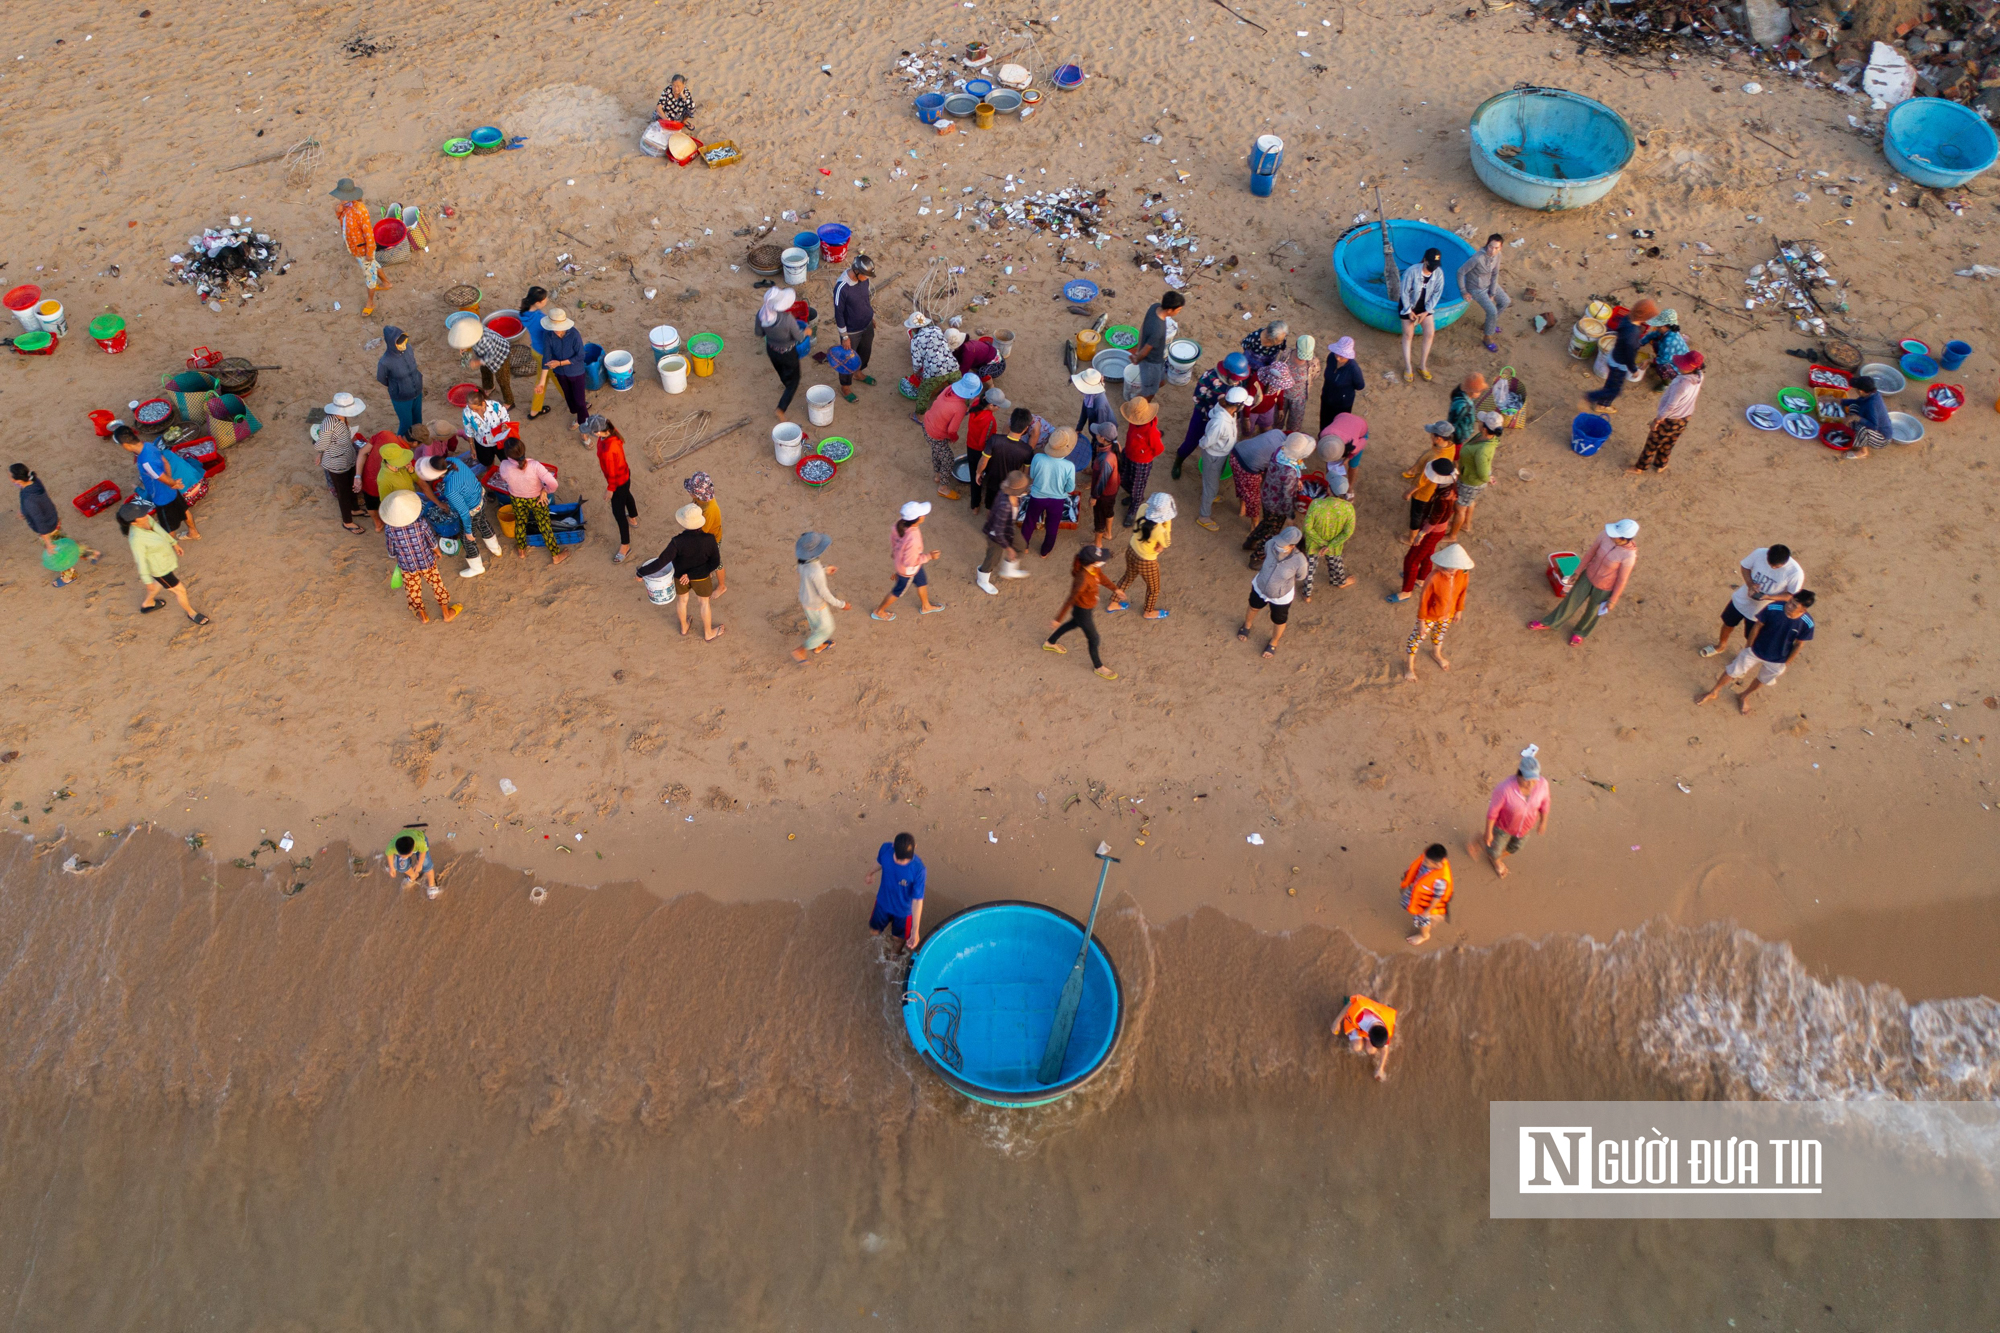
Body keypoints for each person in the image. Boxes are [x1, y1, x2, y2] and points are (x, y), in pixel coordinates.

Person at [1697, 591, 1816, 714]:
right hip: (1756, 649)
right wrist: (1749, 646)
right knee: (1732, 670)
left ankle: (1744, 695)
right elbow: (1758, 625)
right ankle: (1714, 691)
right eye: (1790, 601)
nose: (1789, 606)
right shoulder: (1773, 607)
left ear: (1803, 610)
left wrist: (1787, 662)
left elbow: (1799, 644)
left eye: (1794, 605)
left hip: (1778, 659)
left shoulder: (1807, 624)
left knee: (1763, 679)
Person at [1530, 519, 1638, 644]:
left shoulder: (1629, 556)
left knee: (1593, 612)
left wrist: (1612, 600)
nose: (1611, 535)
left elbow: (1622, 580)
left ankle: (1580, 632)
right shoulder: (1604, 535)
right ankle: (1550, 622)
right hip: (1588, 576)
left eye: (1615, 535)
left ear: (1624, 539)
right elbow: (1590, 553)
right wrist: (1578, 571)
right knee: (1571, 601)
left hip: (1605, 588)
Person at [1702, 544, 1805, 660]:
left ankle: (1745, 658)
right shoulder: (1759, 553)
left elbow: (1791, 596)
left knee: (1752, 637)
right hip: (1742, 600)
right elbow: (1745, 567)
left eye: (1776, 566)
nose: (1772, 567)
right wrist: (1750, 584)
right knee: (1728, 623)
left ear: (1785, 562)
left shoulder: (1795, 573)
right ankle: (1721, 645)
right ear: (1767, 554)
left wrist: (1769, 597)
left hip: (1763, 611)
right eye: (1769, 563)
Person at [637, 504, 724, 640]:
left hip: (679, 576)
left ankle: (684, 627)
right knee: (704, 603)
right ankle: (708, 633)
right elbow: (714, 563)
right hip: (701, 577)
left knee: (682, 601)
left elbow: (661, 562)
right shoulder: (709, 540)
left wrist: (641, 572)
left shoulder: (677, 542)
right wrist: (691, 575)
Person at [117, 500, 208, 625]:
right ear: (133, 522)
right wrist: (147, 581)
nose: (146, 514)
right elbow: (140, 561)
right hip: (160, 570)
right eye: (141, 515)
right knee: (180, 591)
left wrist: (174, 543)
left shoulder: (146, 519)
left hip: (165, 560)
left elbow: (159, 529)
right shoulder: (136, 539)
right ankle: (192, 613)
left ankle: (148, 603)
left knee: (159, 584)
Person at [381, 489, 462, 625]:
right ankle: (446, 613)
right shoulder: (420, 523)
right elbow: (431, 541)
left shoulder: (389, 528)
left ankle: (422, 615)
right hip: (427, 561)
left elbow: (391, 550)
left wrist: (397, 558)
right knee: (437, 584)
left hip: (407, 565)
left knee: (412, 589)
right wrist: (437, 552)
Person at [415, 454, 501, 578]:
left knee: (467, 540)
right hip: (480, 498)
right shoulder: (453, 461)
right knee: (483, 522)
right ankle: (496, 549)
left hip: (471, 510)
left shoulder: (451, 490)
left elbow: (464, 512)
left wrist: (468, 531)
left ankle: (477, 567)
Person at [14, 464, 98, 586]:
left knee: (59, 553)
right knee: (64, 542)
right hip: (53, 521)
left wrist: (48, 543)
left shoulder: (28, 500)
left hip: (48, 530)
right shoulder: (34, 482)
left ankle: (69, 575)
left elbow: (40, 524)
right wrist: (25, 511)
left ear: (18, 480)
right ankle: (92, 554)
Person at [1473, 748, 1550, 879]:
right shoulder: (1504, 789)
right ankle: (1494, 858)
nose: (1531, 784)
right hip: (1503, 827)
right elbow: (1493, 812)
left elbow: (1545, 802)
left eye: (1534, 780)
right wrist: (1488, 832)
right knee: (1495, 850)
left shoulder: (1543, 785)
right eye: (1527, 779)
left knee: (1515, 847)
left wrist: (1543, 821)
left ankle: (1494, 855)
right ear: (1518, 775)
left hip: (1525, 828)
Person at [1044, 544, 1117, 680]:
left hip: (1085, 607)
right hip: (1083, 610)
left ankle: (1050, 642)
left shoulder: (1093, 569)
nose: (1103, 561)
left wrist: (1115, 589)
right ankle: (1099, 667)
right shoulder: (1083, 579)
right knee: (1094, 638)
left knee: (1073, 624)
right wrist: (1058, 619)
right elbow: (1070, 599)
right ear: (1092, 562)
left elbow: (1101, 577)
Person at [119, 424, 203, 542]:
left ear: (126, 445)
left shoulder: (145, 461)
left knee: (168, 527)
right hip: (173, 491)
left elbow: (160, 477)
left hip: (162, 498)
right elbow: (165, 462)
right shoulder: (149, 446)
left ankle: (170, 546)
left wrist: (171, 483)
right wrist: (172, 483)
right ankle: (193, 532)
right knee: (184, 511)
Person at [1391, 459, 1458, 603]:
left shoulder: (1442, 499)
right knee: (1427, 553)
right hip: (1439, 530)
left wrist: (1421, 534)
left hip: (1432, 530)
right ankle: (1421, 578)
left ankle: (1406, 592)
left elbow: (1434, 519)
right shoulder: (1450, 486)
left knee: (1411, 560)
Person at [1174, 352, 1249, 477]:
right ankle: (1179, 460)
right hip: (1203, 415)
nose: (1239, 381)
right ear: (1228, 373)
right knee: (1192, 441)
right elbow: (1197, 399)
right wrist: (1209, 415)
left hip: (1225, 418)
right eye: (1237, 378)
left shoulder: (1237, 382)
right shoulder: (1209, 377)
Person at [1405, 543, 1472, 681]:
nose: (1453, 569)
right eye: (1450, 566)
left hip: (1448, 614)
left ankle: (1436, 654)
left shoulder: (1464, 573)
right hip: (1430, 615)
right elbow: (1424, 600)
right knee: (1416, 639)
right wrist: (1421, 621)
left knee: (1440, 634)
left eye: (1456, 566)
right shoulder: (1433, 577)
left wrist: (1459, 610)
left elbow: (1463, 591)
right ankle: (1409, 667)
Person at [495, 440, 569, 566]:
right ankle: (556, 556)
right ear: (523, 450)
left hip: (517, 499)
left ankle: (521, 551)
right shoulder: (535, 466)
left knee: (520, 522)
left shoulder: (504, 465)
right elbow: (553, 484)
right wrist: (545, 490)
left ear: (507, 454)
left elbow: (504, 478)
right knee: (544, 525)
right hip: (537, 499)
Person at [1244, 432, 1313, 561]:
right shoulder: (1289, 472)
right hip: (1277, 506)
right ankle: (1257, 558)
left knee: (1266, 523)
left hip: (1267, 494)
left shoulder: (1278, 452)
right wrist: (1290, 516)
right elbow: (1287, 497)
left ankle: (1250, 542)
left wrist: (1296, 480)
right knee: (1272, 532)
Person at [1582, 298, 1659, 413]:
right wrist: (1634, 370)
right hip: (1620, 364)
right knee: (1614, 390)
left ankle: (1603, 405)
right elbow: (1629, 356)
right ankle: (1590, 397)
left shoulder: (1627, 318)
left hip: (1614, 355)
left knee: (1610, 384)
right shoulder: (1633, 334)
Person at [872, 501, 946, 620]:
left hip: (906, 563)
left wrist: (895, 552)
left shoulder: (900, 523)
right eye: (922, 514)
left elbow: (894, 539)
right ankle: (879, 611)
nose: (924, 516)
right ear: (917, 519)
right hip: (908, 570)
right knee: (898, 591)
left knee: (921, 581)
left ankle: (926, 606)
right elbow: (910, 562)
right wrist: (929, 556)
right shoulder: (913, 539)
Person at [1633, 351, 1705, 473]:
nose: (1679, 366)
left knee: (1652, 443)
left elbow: (1670, 406)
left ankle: (1640, 467)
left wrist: (1657, 420)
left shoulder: (1681, 384)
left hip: (1670, 419)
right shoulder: (1699, 375)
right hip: (1685, 417)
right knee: (1669, 441)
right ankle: (1661, 464)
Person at [577, 415, 636, 562]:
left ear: (598, 433)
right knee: (627, 494)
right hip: (625, 474)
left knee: (618, 513)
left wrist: (610, 489)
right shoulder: (611, 431)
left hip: (618, 481)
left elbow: (612, 472)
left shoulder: (608, 449)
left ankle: (625, 545)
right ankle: (633, 518)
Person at [1241, 524, 1305, 658]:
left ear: (1292, 546)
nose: (1278, 545)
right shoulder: (1270, 544)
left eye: (1283, 544)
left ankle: (1274, 641)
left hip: (1281, 596)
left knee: (1278, 620)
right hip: (1260, 586)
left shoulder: (1300, 561)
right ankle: (1246, 625)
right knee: (1253, 607)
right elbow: (1266, 553)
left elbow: (1301, 576)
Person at [1110, 491, 1174, 619]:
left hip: (1132, 550)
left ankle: (1113, 603)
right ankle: (1149, 612)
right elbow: (1167, 542)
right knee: (1154, 589)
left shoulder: (1143, 508)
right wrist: (1167, 522)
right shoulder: (1160, 530)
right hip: (1147, 560)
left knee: (1128, 577)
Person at [1195, 385, 1250, 531]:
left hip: (1222, 453)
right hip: (1214, 456)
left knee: (1214, 479)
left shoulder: (1230, 412)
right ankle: (1204, 516)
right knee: (1210, 486)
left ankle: (1211, 496)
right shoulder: (1220, 423)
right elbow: (1206, 442)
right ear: (1238, 405)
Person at [920, 372, 982, 501]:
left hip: (927, 424)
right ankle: (943, 487)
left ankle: (938, 474)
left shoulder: (949, 389)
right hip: (936, 434)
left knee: (936, 451)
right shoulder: (960, 408)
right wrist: (953, 438)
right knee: (948, 459)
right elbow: (952, 429)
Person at [329, 177, 385, 316]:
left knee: (370, 278)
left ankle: (370, 303)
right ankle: (386, 282)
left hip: (363, 250)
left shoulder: (360, 210)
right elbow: (343, 222)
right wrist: (338, 211)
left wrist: (369, 252)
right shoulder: (346, 207)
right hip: (354, 247)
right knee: (373, 266)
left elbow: (368, 233)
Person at [751, 285, 805, 425]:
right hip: (788, 353)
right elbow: (798, 337)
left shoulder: (761, 314)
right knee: (794, 381)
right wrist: (807, 332)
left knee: (781, 371)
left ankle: (786, 383)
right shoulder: (787, 319)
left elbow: (759, 333)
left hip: (772, 350)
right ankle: (781, 409)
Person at [792, 530, 848, 662]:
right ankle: (801, 649)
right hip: (816, 604)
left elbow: (809, 573)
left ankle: (819, 645)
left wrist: (825, 569)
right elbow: (824, 594)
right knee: (827, 628)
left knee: (816, 626)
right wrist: (842, 604)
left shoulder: (802, 562)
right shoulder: (816, 572)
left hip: (805, 599)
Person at [1023, 430, 1080, 559]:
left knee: (1029, 521)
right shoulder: (1069, 466)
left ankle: (1024, 546)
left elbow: (1032, 475)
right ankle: (1045, 551)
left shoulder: (1038, 457)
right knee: (1052, 526)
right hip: (1057, 501)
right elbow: (1070, 488)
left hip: (1037, 497)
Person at [316, 392, 368, 532]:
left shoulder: (342, 418)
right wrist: (320, 452)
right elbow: (322, 443)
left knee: (351, 484)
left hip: (347, 457)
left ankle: (355, 509)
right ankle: (347, 521)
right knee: (343, 492)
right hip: (336, 462)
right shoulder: (328, 424)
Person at [978, 406, 1045, 512]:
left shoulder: (994, 439)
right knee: (1005, 505)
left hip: (992, 480)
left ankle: (990, 512)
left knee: (990, 503)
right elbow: (1025, 473)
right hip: (1010, 484)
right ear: (1026, 429)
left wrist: (978, 473)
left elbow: (983, 461)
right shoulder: (1027, 450)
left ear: (1010, 424)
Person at [1300, 474, 1355, 601]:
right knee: (1336, 563)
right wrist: (1329, 545)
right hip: (1334, 545)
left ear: (1329, 489)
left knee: (1310, 567)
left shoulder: (1316, 504)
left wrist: (1321, 542)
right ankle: (1339, 582)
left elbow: (1307, 527)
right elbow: (1347, 532)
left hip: (1313, 543)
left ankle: (1307, 594)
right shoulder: (1348, 508)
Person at [976, 469, 1032, 593]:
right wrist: (1009, 549)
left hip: (1008, 527)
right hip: (995, 534)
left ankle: (1008, 571)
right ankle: (982, 580)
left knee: (1021, 546)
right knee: (993, 558)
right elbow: (998, 531)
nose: (1026, 491)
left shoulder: (1014, 496)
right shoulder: (1004, 506)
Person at [867, 832, 925, 949]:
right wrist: (870, 873)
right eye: (898, 859)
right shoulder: (885, 850)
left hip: (904, 913)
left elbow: (917, 901)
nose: (901, 863)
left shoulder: (919, 869)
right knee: (874, 930)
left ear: (915, 848)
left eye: (904, 861)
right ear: (893, 846)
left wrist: (915, 930)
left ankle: (894, 955)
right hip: (883, 904)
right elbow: (879, 862)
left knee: (898, 939)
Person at [1450, 412, 1504, 538]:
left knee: (1460, 508)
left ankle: (1452, 535)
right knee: (1470, 500)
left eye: (1481, 422)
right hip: (1470, 477)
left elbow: (1482, 473)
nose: (1478, 422)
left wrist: (1488, 478)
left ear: (1484, 428)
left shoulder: (1482, 450)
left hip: (1470, 482)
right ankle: (1466, 525)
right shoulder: (1486, 437)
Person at [1402, 422, 1458, 537]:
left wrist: (1409, 492)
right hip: (1435, 489)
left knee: (1416, 514)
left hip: (1424, 492)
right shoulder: (1450, 447)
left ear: (1438, 438)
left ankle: (1411, 538)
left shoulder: (1434, 457)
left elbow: (1423, 480)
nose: (1430, 436)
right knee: (1425, 510)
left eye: (1432, 434)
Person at [832, 255, 877, 398]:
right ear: (856, 271)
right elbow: (838, 314)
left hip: (866, 324)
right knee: (847, 359)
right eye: (865, 275)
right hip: (851, 331)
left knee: (865, 351)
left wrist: (870, 317)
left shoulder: (864, 280)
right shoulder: (842, 288)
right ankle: (845, 387)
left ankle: (858, 373)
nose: (867, 278)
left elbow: (865, 299)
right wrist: (844, 336)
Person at [1399, 247, 1446, 382]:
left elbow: (1437, 294)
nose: (1433, 268)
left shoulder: (1439, 273)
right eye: (1431, 264)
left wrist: (1426, 312)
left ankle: (1422, 365)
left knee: (1430, 333)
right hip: (1409, 305)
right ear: (1425, 260)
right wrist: (1409, 311)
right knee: (1408, 334)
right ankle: (1408, 367)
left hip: (1425, 306)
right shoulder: (1412, 271)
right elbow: (1404, 293)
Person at [1458, 233, 1511, 353]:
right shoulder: (1477, 258)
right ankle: (1487, 337)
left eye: (1496, 248)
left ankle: (1488, 325)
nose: (1493, 250)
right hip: (1476, 288)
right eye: (1491, 247)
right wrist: (1463, 291)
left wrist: (1492, 292)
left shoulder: (1498, 255)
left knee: (1505, 301)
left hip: (1489, 283)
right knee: (1492, 311)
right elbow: (1460, 272)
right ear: (1487, 245)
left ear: (1500, 248)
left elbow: (1495, 273)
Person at [539, 307, 591, 427]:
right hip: (561, 373)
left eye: (559, 328)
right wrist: (541, 382)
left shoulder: (574, 334)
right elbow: (546, 358)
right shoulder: (547, 335)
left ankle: (583, 425)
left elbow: (580, 356)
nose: (556, 331)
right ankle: (579, 411)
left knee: (580, 402)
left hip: (576, 372)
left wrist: (560, 363)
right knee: (569, 398)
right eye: (554, 328)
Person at [1117, 396, 1164, 528]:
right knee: (1123, 478)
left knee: (1137, 488)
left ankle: (1133, 510)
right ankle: (1133, 497)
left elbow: (1159, 449)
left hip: (1141, 462)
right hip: (1128, 454)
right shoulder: (1134, 422)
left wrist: (1145, 455)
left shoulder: (1151, 431)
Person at [451, 316, 515, 411]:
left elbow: (491, 356)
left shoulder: (485, 340)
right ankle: (489, 387)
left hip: (500, 355)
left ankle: (509, 402)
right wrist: (466, 347)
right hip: (485, 354)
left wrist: (477, 362)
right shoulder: (473, 333)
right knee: (485, 371)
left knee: (503, 380)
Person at [1127, 290, 1183, 399]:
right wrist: (1137, 358)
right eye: (1178, 310)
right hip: (1151, 363)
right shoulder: (1158, 329)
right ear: (1170, 310)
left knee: (1160, 382)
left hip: (1158, 359)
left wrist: (1138, 349)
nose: (1179, 312)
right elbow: (1146, 351)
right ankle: (1138, 405)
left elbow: (1143, 327)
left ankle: (1152, 387)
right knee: (1149, 393)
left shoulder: (1154, 307)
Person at [1397, 843, 1454, 946]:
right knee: (1407, 903)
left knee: (1422, 920)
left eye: (1427, 862)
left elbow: (1437, 897)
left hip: (1426, 904)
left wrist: (1427, 911)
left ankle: (1424, 935)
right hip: (1418, 892)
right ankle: (1435, 916)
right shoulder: (1428, 861)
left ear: (1437, 865)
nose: (1423, 862)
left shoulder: (1440, 881)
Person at [374, 326, 424, 437]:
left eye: (404, 340)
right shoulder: (385, 361)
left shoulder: (408, 348)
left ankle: (417, 442)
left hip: (417, 391)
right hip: (401, 398)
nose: (403, 344)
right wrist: (397, 386)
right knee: (406, 424)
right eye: (399, 342)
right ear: (392, 343)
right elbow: (381, 378)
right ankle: (400, 444)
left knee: (418, 420)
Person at [1231, 427, 1286, 527]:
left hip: (1236, 453)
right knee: (1253, 498)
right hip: (1249, 466)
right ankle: (1254, 524)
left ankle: (1242, 509)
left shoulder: (1277, 433)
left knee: (1240, 484)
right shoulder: (1283, 453)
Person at [1334, 993, 1397, 1081]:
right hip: (1360, 1020)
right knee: (1356, 1047)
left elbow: (1385, 1050)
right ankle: (1357, 1037)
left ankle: (1363, 1039)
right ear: (1369, 1035)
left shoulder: (1385, 1032)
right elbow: (1352, 1003)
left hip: (1375, 1017)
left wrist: (1380, 1068)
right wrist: (1337, 1021)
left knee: (1371, 1050)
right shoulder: (1360, 1018)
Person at [905, 312, 959, 410]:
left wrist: (916, 372)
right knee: (958, 388)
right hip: (953, 366)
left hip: (934, 371)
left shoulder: (915, 340)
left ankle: (918, 415)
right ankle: (962, 407)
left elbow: (917, 363)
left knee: (923, 393)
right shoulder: (936, 329)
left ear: (914, 328)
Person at [682, 471, 724, 594]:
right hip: (704, 534)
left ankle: (722, 586)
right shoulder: (702, 498)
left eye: (690, 491)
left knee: (717, 564)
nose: (688, 492)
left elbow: (701, 533)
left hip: (711, 539)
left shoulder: (709, 510)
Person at [1836, 374, 1895, 461]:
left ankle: (1863, 452)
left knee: (1862, 429)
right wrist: (1838, 400)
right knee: (1853, 406)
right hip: (1873, 426)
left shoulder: (1872, 404)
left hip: (1882, 438)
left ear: (1860, 391)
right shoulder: (1871, 394)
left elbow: (1874, 426)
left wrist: (1856, 418)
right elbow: (1856, 402)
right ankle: (1857, 435)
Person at [518, 285, 553, 420]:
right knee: (561, 380)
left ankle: (535, 410)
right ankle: (577, 403)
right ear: (538, 303)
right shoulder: (541, 319)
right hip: (546, 353)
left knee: (541, 380)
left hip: (535, 350)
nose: (546, 300)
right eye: (544, 299)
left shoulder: (523, 313)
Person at [1318, 335, 1366, 433]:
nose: (1338, 358)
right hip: (1327, 397)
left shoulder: (1353, 369)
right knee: (1324, 422)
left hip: (1342, 404)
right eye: (1337, 354)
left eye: (1342, 356)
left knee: (1339, 427)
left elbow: (1360, 385)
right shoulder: (1331, 357)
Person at [1317, 411, 1369, 497]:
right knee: (1330, 460)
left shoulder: (1354, 445)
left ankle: (1350, 488)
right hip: (1342, 417)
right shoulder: (1324, 435)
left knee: (1353, 465)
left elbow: (1364, 441)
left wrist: (1349, 457)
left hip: (1360, 426)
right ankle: (1332, 484)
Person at [459, 382, 512, 464]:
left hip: (499, 441)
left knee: (506, 460)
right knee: (487, 462)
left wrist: (504, 426)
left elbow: (505, 418)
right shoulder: (467, 412)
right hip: (482, 443)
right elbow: (469, 431)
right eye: (471, 408)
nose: (473, 411)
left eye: (476, 409)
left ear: (483, 403)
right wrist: (472, 446)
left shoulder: (495, 406)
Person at [1087, 423, 1122, 545]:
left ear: (1103, 438)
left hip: (1104, 495)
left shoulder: (1106, 459)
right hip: (1113, 489)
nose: (1096, 434)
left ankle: (1098, 543)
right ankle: (1108, 533)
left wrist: (1094, 497)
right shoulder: (1115, 445)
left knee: (1099, 518)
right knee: (1109, 511)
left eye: (1098, 433)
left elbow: (1102, 481)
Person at [1277, 335, 1316, 435]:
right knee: (1276, 422)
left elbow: (1314, 375)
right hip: (1282, 395)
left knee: (1294, 428)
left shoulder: (1313, 362)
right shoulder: (1286, 355)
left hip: (1299, 399)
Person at [1641, 310, 1690, 387]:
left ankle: (1666, 383)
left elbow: (1664, 359)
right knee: (1656, 342)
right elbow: (1652, 335)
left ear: (1663, 326)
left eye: (1658, 326)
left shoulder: (1669, 341)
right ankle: (1656, 361)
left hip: (1678, 367)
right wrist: (1640, 343)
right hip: (1671, 355)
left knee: (1661, 367)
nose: (1656, 327)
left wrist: (1649, 360)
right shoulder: (1667, 330)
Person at [1244, 356, 1289, 435]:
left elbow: (1280, 393)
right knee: (1248, 431)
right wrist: (1246, 418)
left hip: (1268, 409)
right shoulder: (1256, 381)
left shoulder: (1279, 383)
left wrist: (1280, 408)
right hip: (1252, 411)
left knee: (1267, 430)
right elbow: (1248, 400)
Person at [1071, 367, 1117, 444]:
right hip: (1098, 433)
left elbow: (1101, 430)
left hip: (1103, 436)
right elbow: (1084, 411)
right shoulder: (1089, 396)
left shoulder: (1100, 406)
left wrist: (1098, 444)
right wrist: (1079, 428)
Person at [389, 830, 439, 899]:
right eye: (402, 856)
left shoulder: (420, 843)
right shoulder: (391, 846)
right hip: (405, 845)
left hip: (420, 845)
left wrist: (420, 864)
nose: (404, 858)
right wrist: (391, 867)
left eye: (406, 856)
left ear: (411, 852)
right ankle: (413, 876)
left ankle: (432, 884)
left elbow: (423, 852)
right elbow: (389, 854)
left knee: (426, 865)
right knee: (401, 867)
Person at [1449, 373, 1488, 450]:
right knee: (1456, 450)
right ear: (1472, 391)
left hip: (1461, 431)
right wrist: (1462, 435)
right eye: (1479, 391)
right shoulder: (1463, 405)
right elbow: (1454, 423)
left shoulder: (1462, 395)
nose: (1480, 394)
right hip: (1458, 435)